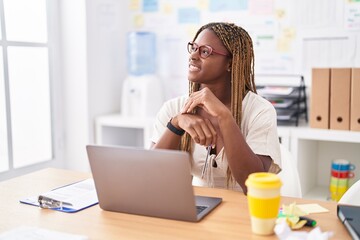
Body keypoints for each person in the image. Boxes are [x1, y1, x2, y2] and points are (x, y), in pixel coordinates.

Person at [150, 22, 281, 194]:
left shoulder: (260, 111)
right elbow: (151, 175)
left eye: (205, 52)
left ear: (230, 63)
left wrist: (224, 117)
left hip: (247, 207)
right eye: (193, 48)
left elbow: (253, 185)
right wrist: (176, 123)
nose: (193, 56)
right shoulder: (174, 108)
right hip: (197, 204)